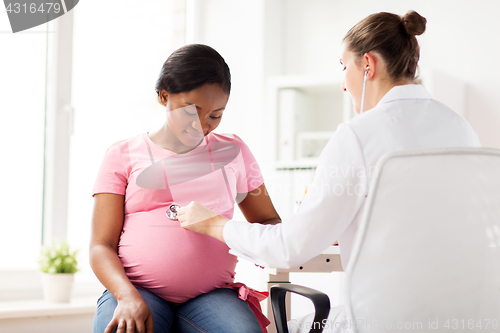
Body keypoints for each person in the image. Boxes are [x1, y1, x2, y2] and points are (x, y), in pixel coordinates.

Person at [178, 11, 482, 332]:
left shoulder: (359, 134)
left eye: (344, 66)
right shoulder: (461, 128)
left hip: (382, 321)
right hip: (465, 317)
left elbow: (288, 248)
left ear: (368, 64)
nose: (342, 84)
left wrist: (215, 225)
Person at [90, 44, 280, 333]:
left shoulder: (234, 151)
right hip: (138, 290)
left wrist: (223, 228)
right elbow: (100, 246)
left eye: (215, 115)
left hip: (213, 295)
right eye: (191, 111)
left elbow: (269, 223)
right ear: (164, 96)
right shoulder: (123, 154)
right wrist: (126, 296)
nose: (202, 125)